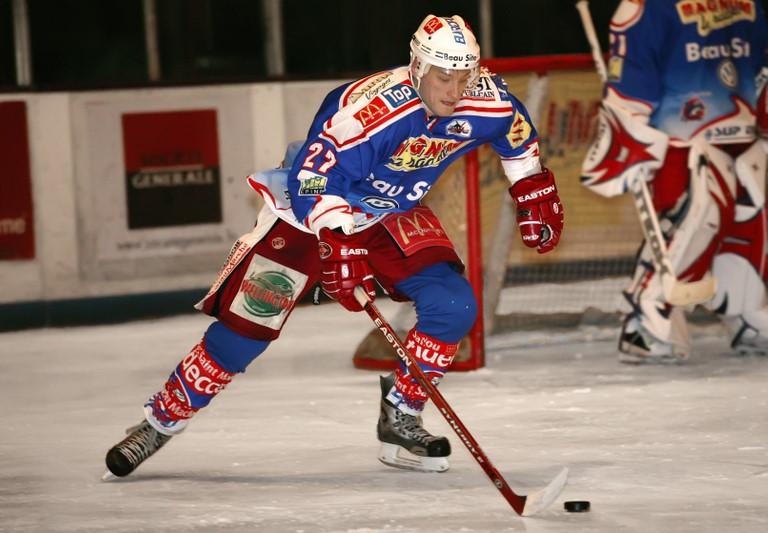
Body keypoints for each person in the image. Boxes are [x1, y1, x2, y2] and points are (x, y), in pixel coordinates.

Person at [104, 14, 564, 478]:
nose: (455, 90)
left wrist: (531, 187)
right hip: (311, 214)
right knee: (244, 333)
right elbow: (310, 181)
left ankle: (401, 416)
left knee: (453, 304)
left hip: (389, 212)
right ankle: (160, 421)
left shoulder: (484, 99)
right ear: (418, 67)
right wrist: (339, 239)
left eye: (464, 77)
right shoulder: (368, 113)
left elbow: (516, 135)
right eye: (444, 77)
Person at [581, 0, 768, 364]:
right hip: (681, 140)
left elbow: (760, 60)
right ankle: (649, 323)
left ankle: (750, 314)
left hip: (743, 132)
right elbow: (633, 73)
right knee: (694, 220)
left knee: (753, 220)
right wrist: (628, 131)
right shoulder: (648, 6)